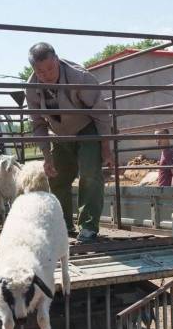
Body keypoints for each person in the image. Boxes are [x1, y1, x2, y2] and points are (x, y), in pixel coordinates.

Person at [25, 42, 114, 243]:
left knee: (91, 173)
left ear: (57, 60)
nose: (46, 74)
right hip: (59, 133)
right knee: (56, 177)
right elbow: (37, 124)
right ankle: (63, 224)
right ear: (33, 70)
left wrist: (106, 148)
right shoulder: (31, 88)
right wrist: (47, 157)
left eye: (50, 68)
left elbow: (101, 114)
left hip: (87, 129)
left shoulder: (79, 78)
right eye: (40, 71)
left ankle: (88, 227)